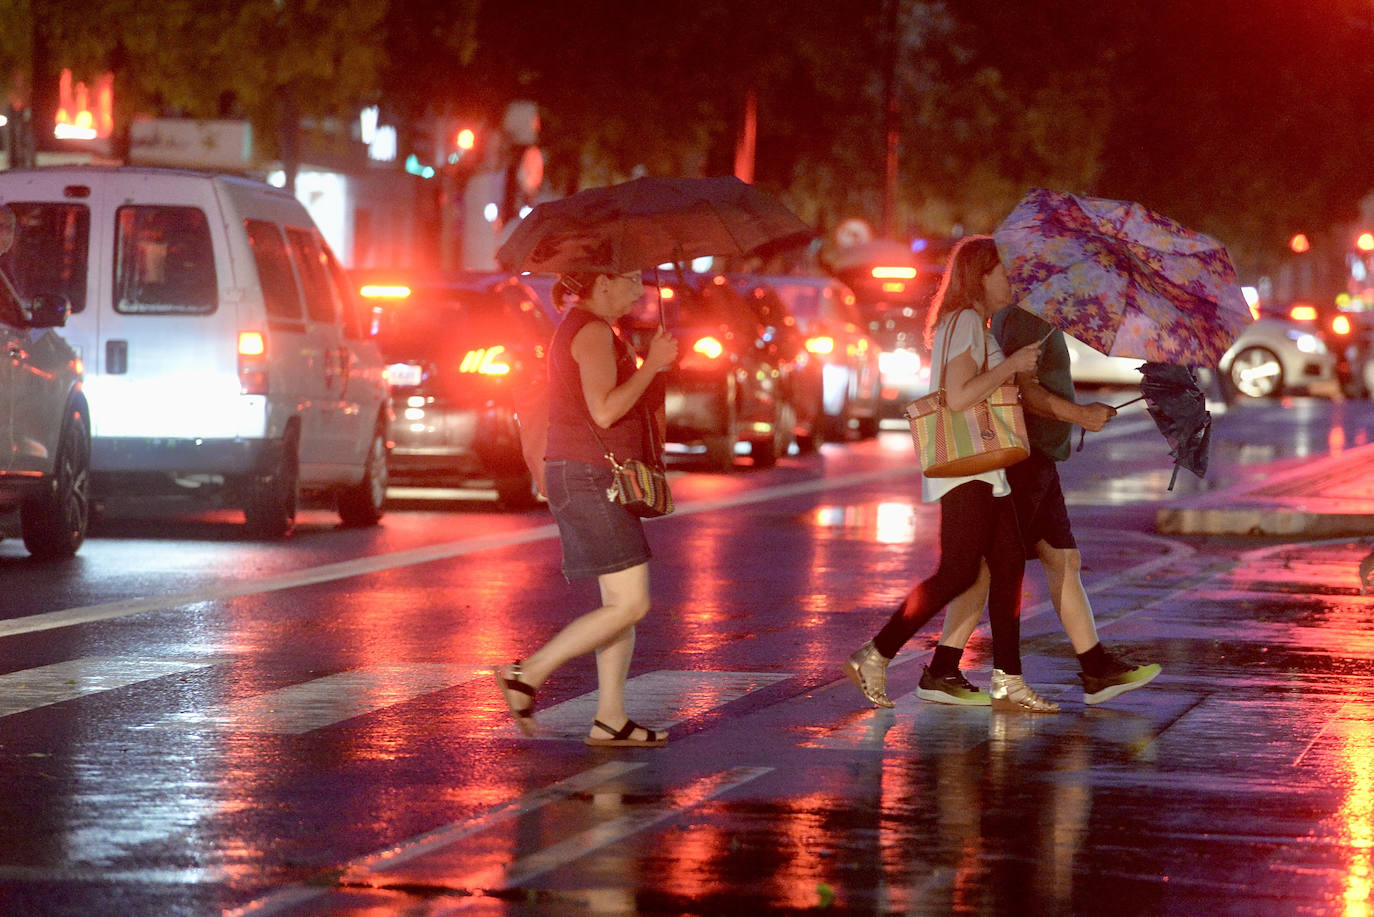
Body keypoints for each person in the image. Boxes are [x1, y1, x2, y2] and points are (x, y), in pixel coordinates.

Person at [844, 235, 1059, 713]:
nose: (1012, 280)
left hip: (987, 468)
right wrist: (1012, 366)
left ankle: (1009, 678)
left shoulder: (971, 325)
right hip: (967, 469)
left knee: (1007, 566)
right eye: (1004, 271)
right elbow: (959, 396)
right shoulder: (963, 321)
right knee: (958, 572)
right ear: (980, 276)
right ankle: (876, 652)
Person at [915, 304, 1163, 707]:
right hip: (1022, 458)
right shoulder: (1028, 318)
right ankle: (942, 668)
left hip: (1040, 456)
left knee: (1063, 559)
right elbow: (1022, 391)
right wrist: (1080, 415)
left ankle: (1096, 668)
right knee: (985, 568)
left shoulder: (1042, 317)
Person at [495, 268, 679, 747]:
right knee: (631, 602)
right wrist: (649, 366)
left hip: (593, 474)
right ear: (603, 282)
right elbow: (604, 409)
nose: (641, 291)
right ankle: (527, 674)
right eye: (631, 280)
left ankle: (610, 718)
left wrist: (654, 366)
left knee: (619, 605)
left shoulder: (597, 329)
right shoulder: (591, 330)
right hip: (590, 476)